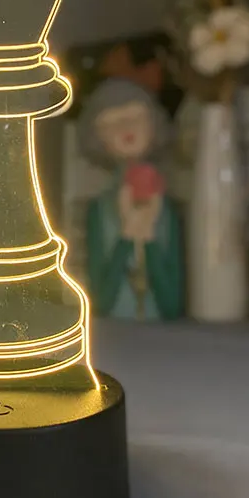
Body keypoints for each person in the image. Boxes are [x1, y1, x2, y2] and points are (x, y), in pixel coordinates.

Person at [77, 79, 184, 321]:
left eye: (136, 117)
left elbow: (172, 306)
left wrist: (149, 238)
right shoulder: (98, 211)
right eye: (111, 122)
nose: (126, 126)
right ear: (98, 137)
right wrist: (127, 235)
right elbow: (101, 303)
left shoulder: (167, 210)